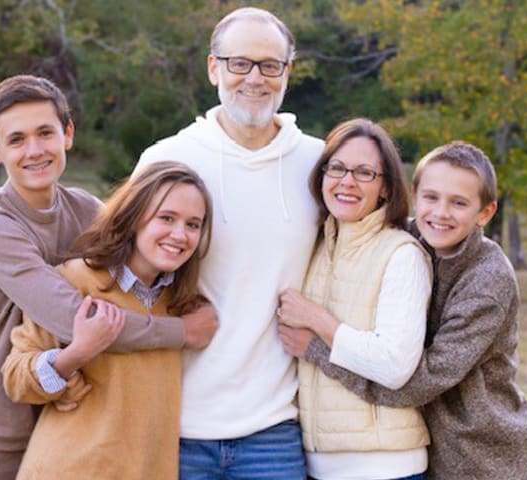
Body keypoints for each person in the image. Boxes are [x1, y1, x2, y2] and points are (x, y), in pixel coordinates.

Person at [0, 75, 217, 480]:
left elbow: (138, 266)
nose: (35, 150)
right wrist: (182, 332)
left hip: (66, 427)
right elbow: (80, 320)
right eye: (16, 140)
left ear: (67, 134)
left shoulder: (86, 210)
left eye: (45, 133)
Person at [135, 7, 323, 478]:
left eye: (269, 65)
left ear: (287, 72)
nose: (254, 78)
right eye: (239, 63)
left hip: (275, 429)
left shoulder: (320, 165)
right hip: (174, 423)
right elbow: (118, 271)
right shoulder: (167, 158)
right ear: (213, 67)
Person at [283, 141, 527, 479]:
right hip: (424, 444)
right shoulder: (409, 238)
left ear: (485, 213)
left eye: (458, 203)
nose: (440, 213)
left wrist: (317, 347)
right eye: (431, 198)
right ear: (414, 195)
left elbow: (418, 383)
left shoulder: (487, 282)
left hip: (477, 454)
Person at [0, 161, 212, 479]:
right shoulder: (75, 282)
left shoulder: (182, 305)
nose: (180, 234)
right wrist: (76, 354)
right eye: (166, 218)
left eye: (193, 224)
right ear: (135, 216)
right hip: (70, 469)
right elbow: (16, 378)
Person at [276, 118, 433, 480]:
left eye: (364, 173)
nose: (347, 181)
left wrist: (317, 321)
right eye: (338, 168)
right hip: (318, 464)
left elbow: (394, 365)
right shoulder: (314, 245)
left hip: (385, 467)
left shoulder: (401, 254)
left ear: (385, 189)